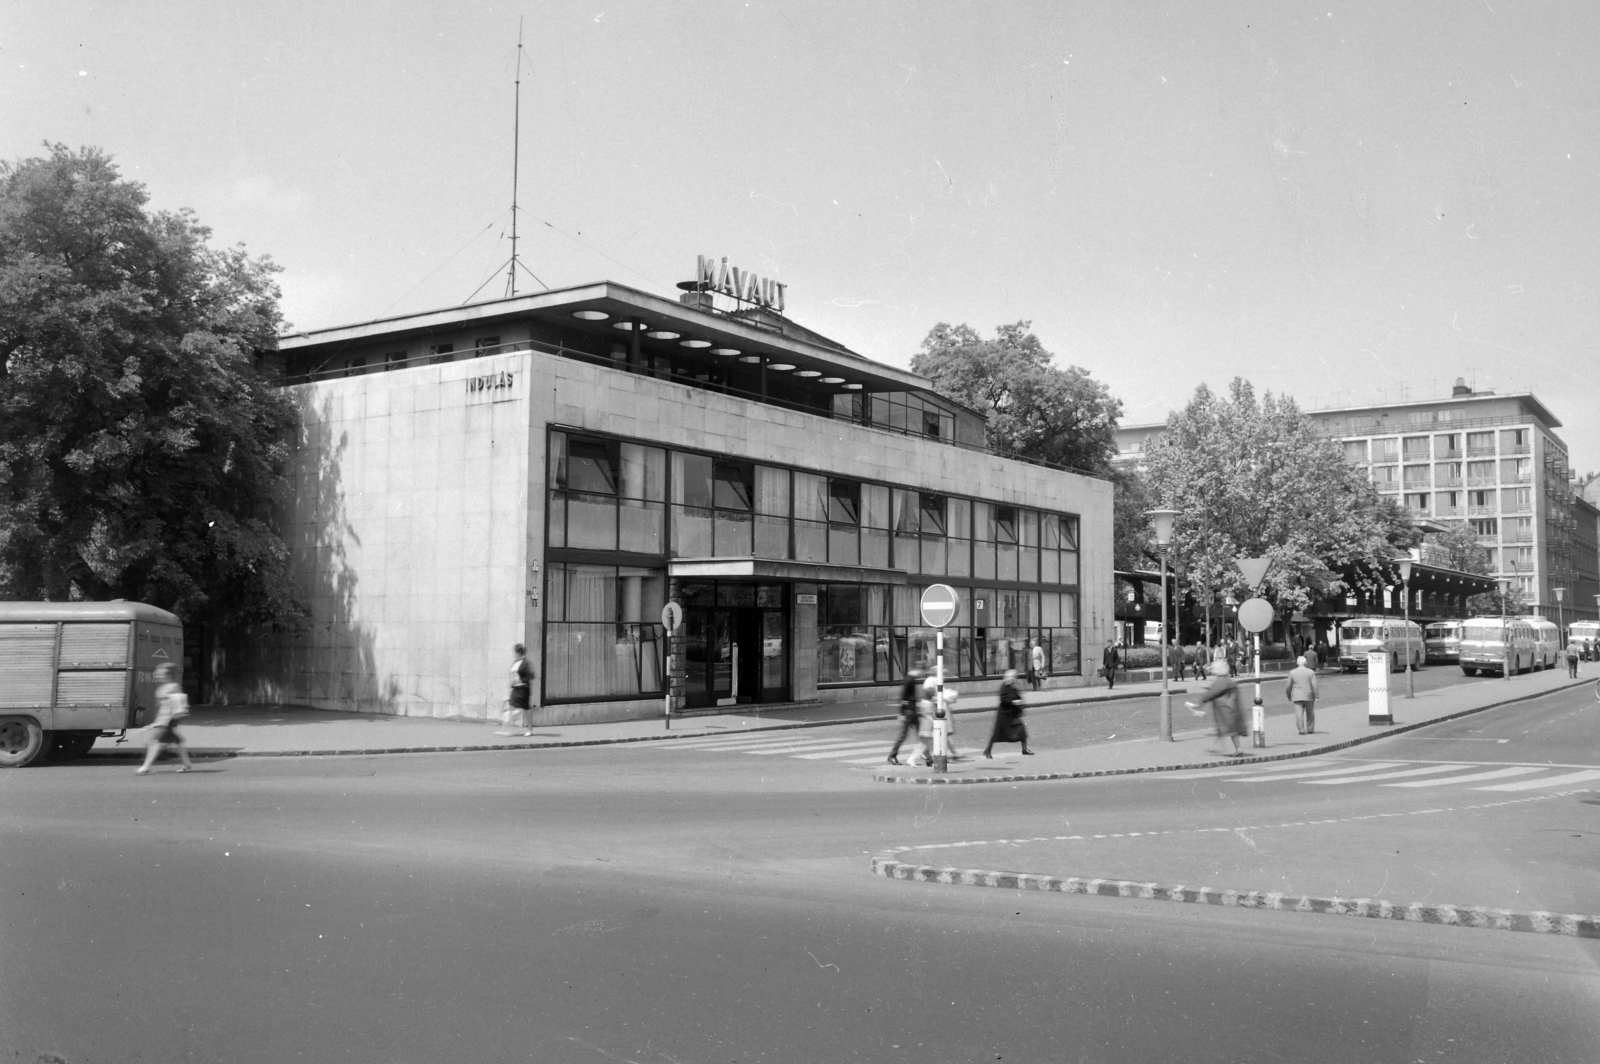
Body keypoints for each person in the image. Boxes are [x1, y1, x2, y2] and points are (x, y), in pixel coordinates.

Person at [137, 663, 194, 774]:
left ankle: (145, 767)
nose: (157, 676)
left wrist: (166, 721)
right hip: (164, 720)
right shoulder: (164, 687)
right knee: (178, 741)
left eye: (160, 674)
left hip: (167, 721)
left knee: (155, 742)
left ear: (167, 675)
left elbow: (176, 705)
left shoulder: (173, 687)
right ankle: (187, 764)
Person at [1188, 660, 1246, 756]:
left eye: (1214, 668)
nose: (1212, 670)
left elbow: (1212, 693)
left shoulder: (1221, 680)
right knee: (1231, 731)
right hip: (1231, 709)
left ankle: (1219, 748)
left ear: (1218, 670)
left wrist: (1200, 702)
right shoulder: (1227, 680)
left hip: (1225, 710)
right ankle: (1235, 748)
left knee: (1223, 729)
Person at [984, 669, 1034, 757]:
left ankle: (1024, 749)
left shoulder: (1013, 687)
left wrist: (1021, 705)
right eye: (1011, 677)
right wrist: (1013, 702)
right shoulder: (1004, 687)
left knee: (1021, 729)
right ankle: (988, 750)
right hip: (1004, 714)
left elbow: (1019, 697)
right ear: (1007, 678)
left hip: (1013, 714)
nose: (1012, 679)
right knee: (997, 733)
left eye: (1013, 677)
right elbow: (1003, 699)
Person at [886, 668, 924, 765]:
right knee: (904, 735)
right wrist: (901, 713)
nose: (922, 674)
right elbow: (903, 697)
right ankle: (892, 755)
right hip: (908, 712)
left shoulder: (912, 679)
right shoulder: (909, 680)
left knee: (921, 734)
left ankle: (926, 756)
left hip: (912, 711)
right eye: (921, 671)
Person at [1285, 655, 1319, 734]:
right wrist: (1316, 696)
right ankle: (1310, 729)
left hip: (1297, 695)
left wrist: (1288, 696)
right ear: (1305, 663)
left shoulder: (1292, 672)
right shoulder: (1310, 672)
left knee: (1299, 713)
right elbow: (1314, 685)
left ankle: (1301, 729)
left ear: (1297, 663)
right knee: (1310, 712)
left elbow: (1288, 686)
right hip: (1308, 694)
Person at [509, 643, 535, 736]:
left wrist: (523, 681)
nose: (515, 654)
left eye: (516, 652)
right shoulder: (515, 662)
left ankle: (530, 729)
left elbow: (531, 675)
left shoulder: (525, 662)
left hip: (523, 689)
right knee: (511, 705)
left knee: (526, 709)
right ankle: (508, 728)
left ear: (519, 653)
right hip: (515, 688)